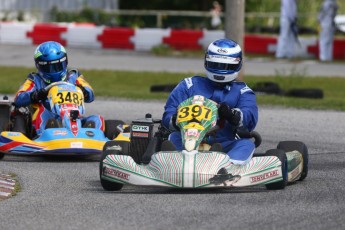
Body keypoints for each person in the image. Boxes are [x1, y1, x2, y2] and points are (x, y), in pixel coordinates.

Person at [162, 38, 258, 165]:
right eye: (216, 65)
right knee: (173, 138)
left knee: (246, 144)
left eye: (226, 66)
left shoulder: (242, 91)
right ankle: (175, 163)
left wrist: (231, 114)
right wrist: (176, 119)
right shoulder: (188, 85)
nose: (220, 69)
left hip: (224, 144)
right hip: (187, 140)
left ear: (237, 65)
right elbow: (168, 113)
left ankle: (227, 167)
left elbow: (249, 117)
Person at [14, 41, 104, 136]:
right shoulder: (35, 79)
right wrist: (35, 95)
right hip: (46, 116)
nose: (54, 71)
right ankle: (45, 134)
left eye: (57, 66)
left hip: (74, 116)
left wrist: (85, 91)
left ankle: (93, 136)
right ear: (39, 66)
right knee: (43, 113)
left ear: (65, 62)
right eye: (49, 67)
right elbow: (19, 98)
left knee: (97, 119)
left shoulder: (73, 76)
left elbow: (90, 94)